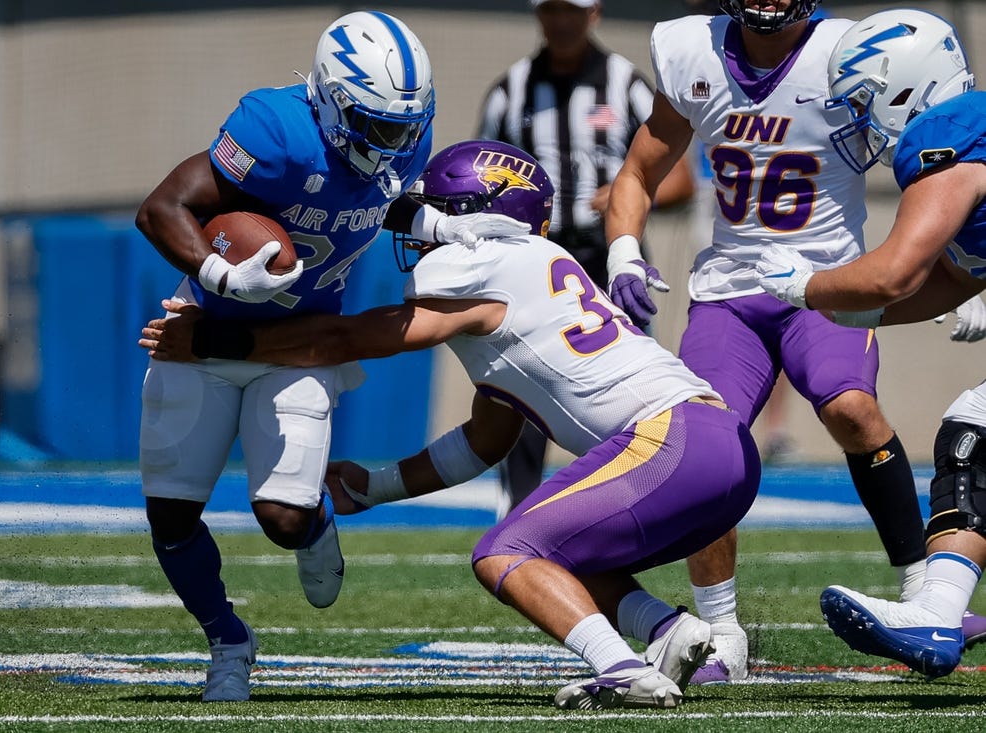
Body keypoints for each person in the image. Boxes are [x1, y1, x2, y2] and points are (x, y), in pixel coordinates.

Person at [140, 139, 763, 709]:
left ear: (478, 215)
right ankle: (664, 628)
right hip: (718, 450)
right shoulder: (536, 277)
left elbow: (342, 336)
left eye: (444, 210)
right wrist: (373, 486)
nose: (426, 226)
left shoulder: (483, 267)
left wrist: (213, 340)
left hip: (670, 441)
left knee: (504, 551)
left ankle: (623, 670)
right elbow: (486, 439)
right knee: (550, 545)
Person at [134, 11, 529, 703]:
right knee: (170, 514)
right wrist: (223, 275)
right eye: (376, 125)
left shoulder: (398, 134)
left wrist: (433, 220)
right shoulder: (273, 130)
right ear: (328, 100)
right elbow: (163, 206)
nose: (395, 142)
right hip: (205, 327)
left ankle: (317, 524)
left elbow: (379, 195)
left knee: (283, 518)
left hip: (303, 340)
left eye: (403, 126)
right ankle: (228, 639)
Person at [599, 0, 983, 684]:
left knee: (851, 409)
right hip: (732, 285)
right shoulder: (692, 51)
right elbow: (638, 170)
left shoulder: (857, 51)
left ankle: (925, 594)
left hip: (828, 275)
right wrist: (624, 248)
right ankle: (720, 630)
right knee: (708, 443)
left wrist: (944, 274)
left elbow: (926, 222)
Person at [754, 8, 986, 678]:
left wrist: (811, 285)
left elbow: (899, 268)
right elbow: (946, 277)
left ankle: (939, 614)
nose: (860, 119)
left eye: (863, 100)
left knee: (974, 435)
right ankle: (940, 613)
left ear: (903, 87)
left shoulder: (950, 130)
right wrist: (867, 313)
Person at [477, 0, 695, 519]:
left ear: (594, 13)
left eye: (571, 10)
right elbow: (478, 179)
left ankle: (633, 505)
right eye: (551, 10)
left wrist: (619, 195)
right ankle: (520, 516)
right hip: (533, 260)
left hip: (610, 258)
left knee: (633, 385)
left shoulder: (628, 84)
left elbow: (683, 181)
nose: (561, 21)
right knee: (524, 382)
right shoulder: (510, 90)